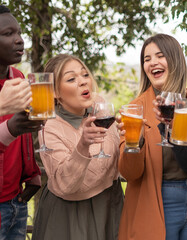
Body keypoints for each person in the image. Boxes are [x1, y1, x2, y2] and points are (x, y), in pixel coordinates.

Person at [116, 33, 187, 240]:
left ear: (175, 59)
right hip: (159, 201)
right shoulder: (135, 109)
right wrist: (136, 143)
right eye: (146, 59)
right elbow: (129, 173)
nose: (152, 63)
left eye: (159, 56)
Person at [32, 54, 123, 240]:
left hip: (109, 207)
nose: (83, 82)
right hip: (69, 216)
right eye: (72, 78)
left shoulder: (101, 107)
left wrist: (129, 139)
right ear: (55, 92)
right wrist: (83, 146)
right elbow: (65, 185)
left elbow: (118, 163)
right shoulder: (49, 127)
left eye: (84, 75)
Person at [0, 3, 42, 239]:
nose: (19, 40)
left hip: (17, 202)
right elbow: (9, 130)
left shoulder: (18, 77)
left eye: (19, 33)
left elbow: (22, 132)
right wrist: (8, 127)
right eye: (8, 34)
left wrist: (32, 173)